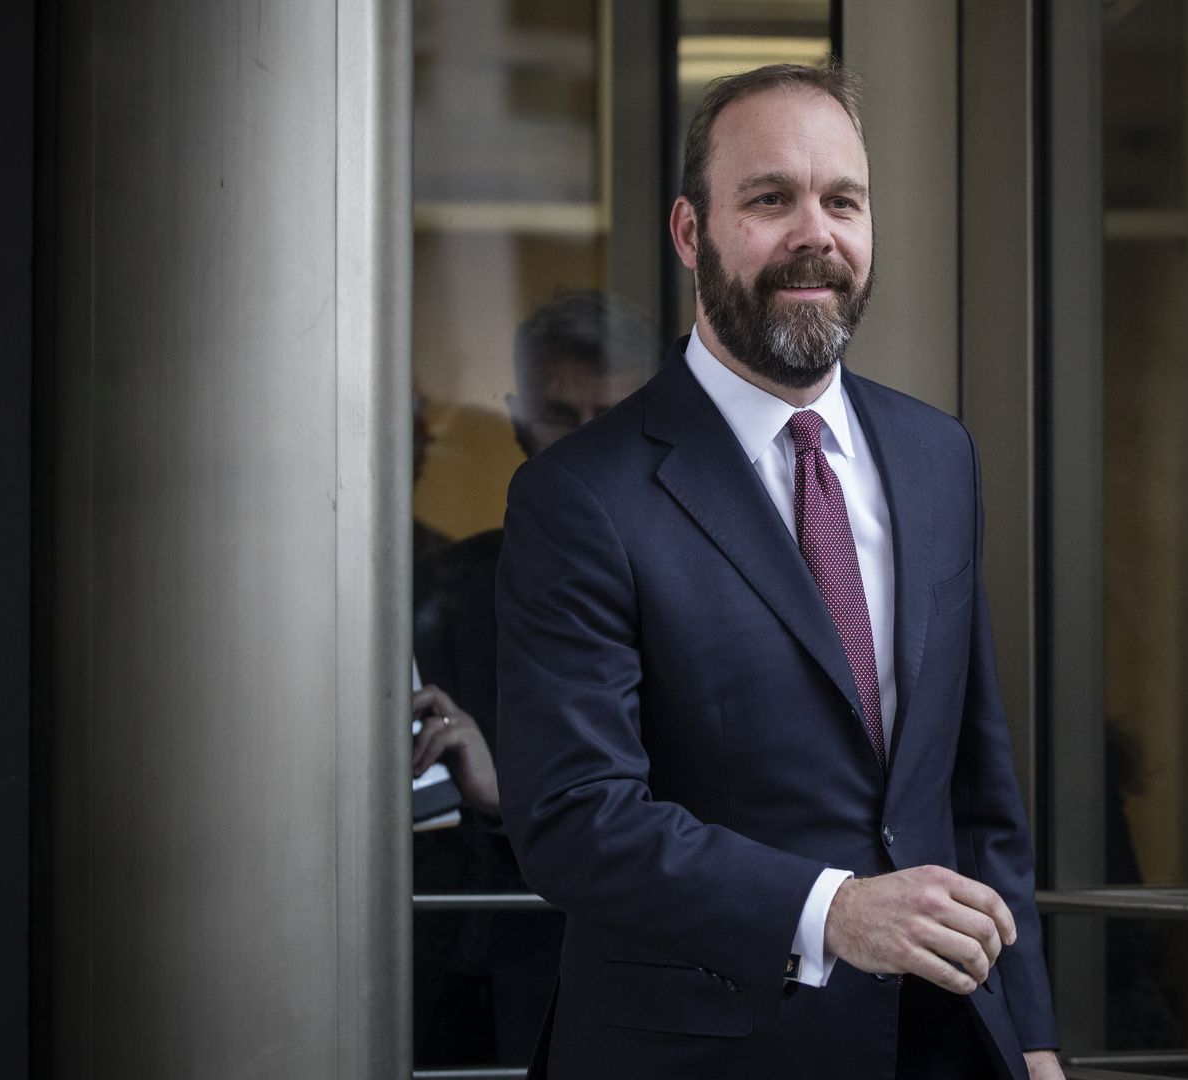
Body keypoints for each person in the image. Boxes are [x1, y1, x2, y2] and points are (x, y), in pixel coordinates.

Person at [495, 64, 1063, 1079]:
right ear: (689, 234)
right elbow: (575, 817)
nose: (816, 233)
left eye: (842, 200)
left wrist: (1032, 1037)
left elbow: (975, 796)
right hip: (695, 1054)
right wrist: (831, 912)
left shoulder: (939, 458)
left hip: (940, 1051)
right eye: (769, 199)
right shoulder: (581, 495)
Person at [409, 290, 657, 1067]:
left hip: (600, 992)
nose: (584, 445)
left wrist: (503, 795)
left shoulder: (704, 601)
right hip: (430, 981)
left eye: (609, 418)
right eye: (560, 417)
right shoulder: (435, 586)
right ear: (518, 419)